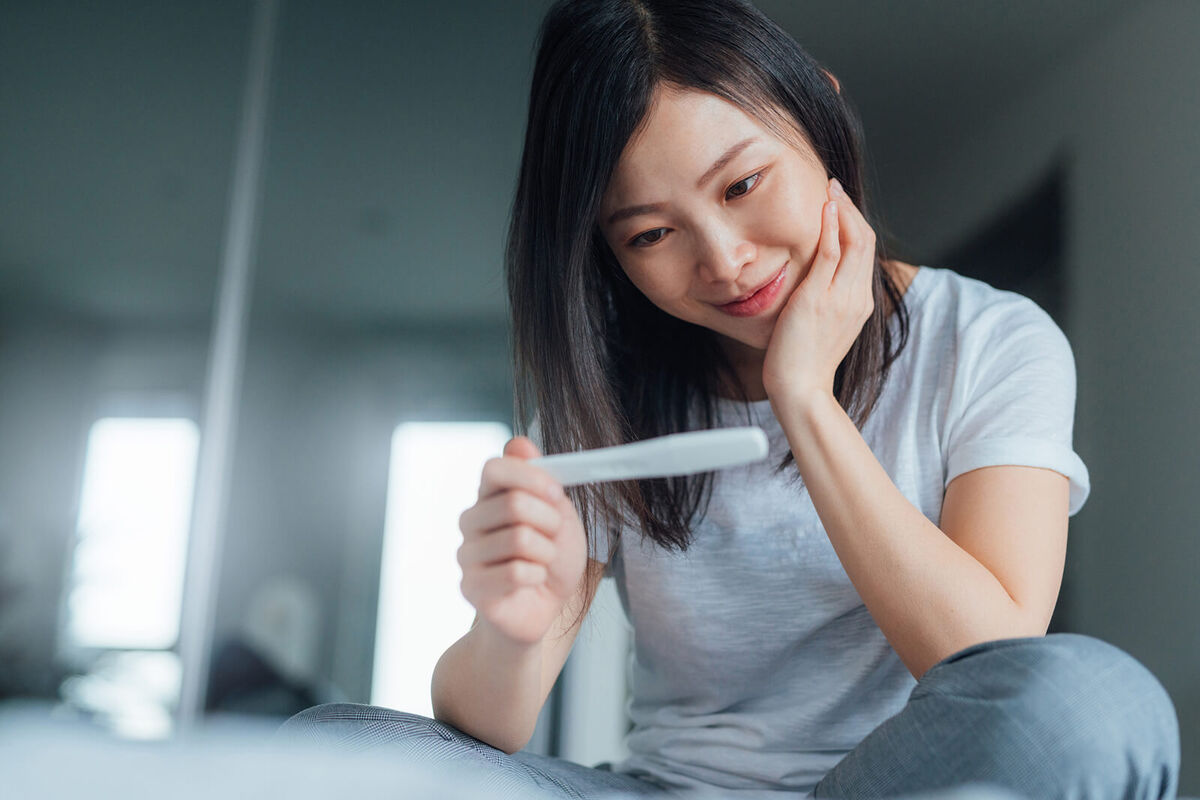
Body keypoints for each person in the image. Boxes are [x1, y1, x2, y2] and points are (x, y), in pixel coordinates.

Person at [278, 1, 1181, 798]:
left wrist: (804, 399)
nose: (722, 260)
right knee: (329, 752)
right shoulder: (607, 399)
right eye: (652, 234)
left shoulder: (991, 339)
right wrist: (511, 632)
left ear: (820, 116)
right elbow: (489, 734)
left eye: (743, 185)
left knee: (1094, 701)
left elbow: (987, 656)